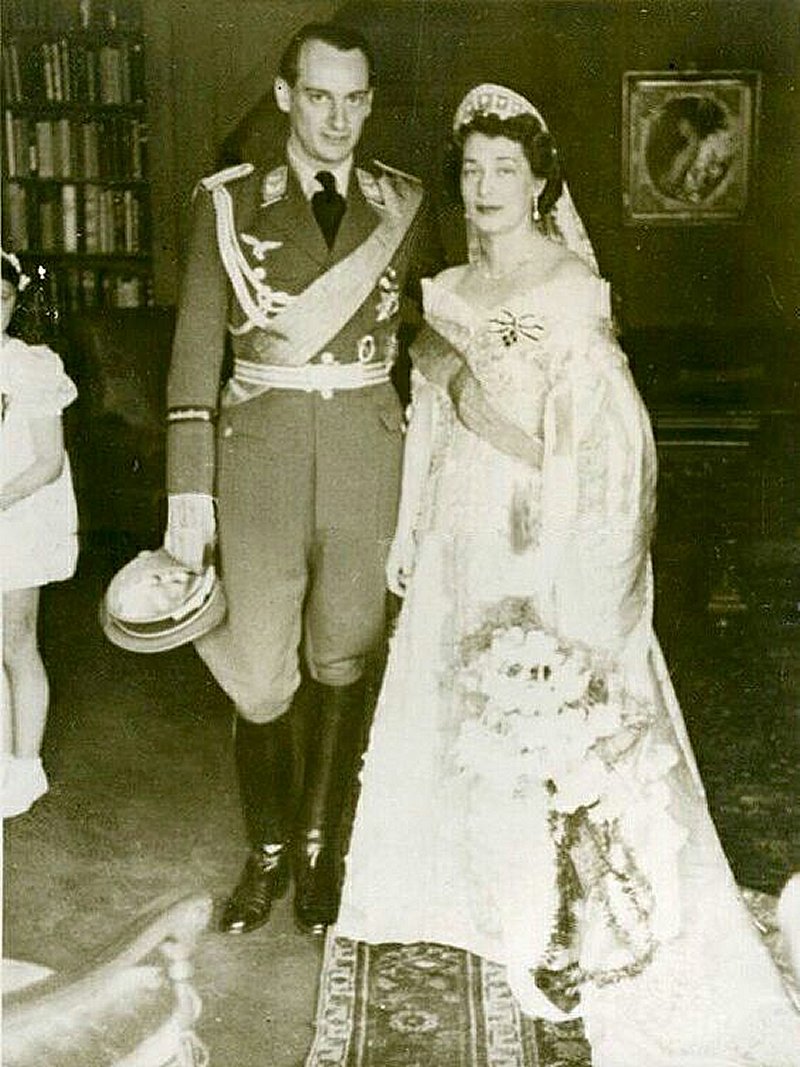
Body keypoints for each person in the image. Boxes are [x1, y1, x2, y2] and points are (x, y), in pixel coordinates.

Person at [331, 85, 800, 1065]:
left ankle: (548, 901)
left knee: (532, 709)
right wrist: (409, 524)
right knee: (448, 696)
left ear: (543, 184)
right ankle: (453, 884)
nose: (485, 186)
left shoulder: (567, 292)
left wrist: (486, 419)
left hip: (529, 532)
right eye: (472, 169)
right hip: (455, 520)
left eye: (507, 169)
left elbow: (600, 447)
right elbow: (427, 414)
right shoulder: (448, 286)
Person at [164, 22, 433, 936]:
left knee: (343, 656)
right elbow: (197, 347)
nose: (339, 118)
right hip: (260, 464)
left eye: (355, 99)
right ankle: (267, 850)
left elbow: (428, 338)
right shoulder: (228, 204)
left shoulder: (403, 202)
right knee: (259, 675)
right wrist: (186, 492)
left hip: (368, 453)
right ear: (284, 96)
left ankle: (319, 851)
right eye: (319, 96)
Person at [1, 250, 79, 819]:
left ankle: (26, 766)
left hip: (17, 515)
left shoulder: (28, 364)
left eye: (2, 299)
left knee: (15, 639)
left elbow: (48, 460)